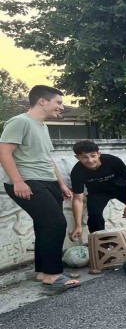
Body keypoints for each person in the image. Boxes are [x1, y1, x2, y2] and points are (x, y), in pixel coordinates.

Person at [0, 85, 81, 294]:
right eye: (59, 102)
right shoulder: (20, 122)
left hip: (48, 182)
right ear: (42, 101)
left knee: (44, 225)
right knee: (55, 223)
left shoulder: (43, 126)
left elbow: (46, 158)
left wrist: (61, 184)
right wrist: (17, 181)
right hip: (28, 181)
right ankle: (52, 276)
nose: (61, 107)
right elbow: (4, 152)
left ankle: (42, 272)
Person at [68, 140, 126, 252]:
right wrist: (78, 225)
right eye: (84, 157)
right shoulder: (77, 171)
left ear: (99, 153)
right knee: (94, 217)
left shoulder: (112, 161)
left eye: (93, 156)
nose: (90, 160)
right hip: (98, 192)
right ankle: (103, 249)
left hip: (121, 188)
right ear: (77, 157)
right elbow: (78, 199)